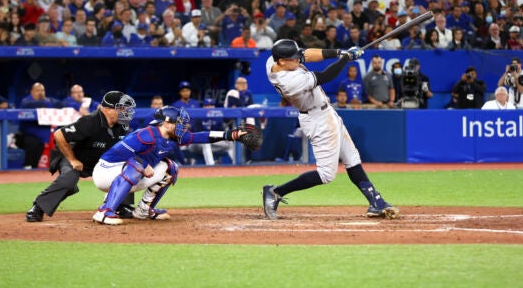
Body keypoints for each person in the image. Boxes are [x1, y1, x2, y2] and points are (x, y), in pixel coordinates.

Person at [262, 39, 398, 220]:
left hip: (326, 112)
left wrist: (339, 52)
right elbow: (325, 76)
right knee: (326, 174)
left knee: (352, 158)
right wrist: (345, 60)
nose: (298, 60)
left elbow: (307, 54)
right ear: (282, 61)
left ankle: (376, 202)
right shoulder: (289, 80)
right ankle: (276, 192)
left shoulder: (274, 60)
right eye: (294, 58)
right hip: (317, 119)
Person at [90, 105, 249, 224]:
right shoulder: (146, 134)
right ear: (166, 123)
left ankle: (143, 210)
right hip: (106, 172)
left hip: (129, 174)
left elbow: (201, 136)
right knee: (138, 164)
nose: (183, 126)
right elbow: (118, 153)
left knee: (171, 168)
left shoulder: (174, 137)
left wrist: (230, 135)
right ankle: (105, 211)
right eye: (179, 123)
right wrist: (143, 165)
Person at [26, 91, 136, 222]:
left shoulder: (122, 126)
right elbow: (59, 135)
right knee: (68, 181)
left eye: (125, 108)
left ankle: (120, 205)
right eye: (120, 108)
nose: (125, 112)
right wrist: (72, 159)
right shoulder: (89, 122)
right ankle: (38, 207)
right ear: (106, 109)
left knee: (127, 168)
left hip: (100, 161)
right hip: (75, 157)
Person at [17, 83, 63, 169]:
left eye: (42, 90)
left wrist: (47, 102)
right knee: (32, 142)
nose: (40, 93)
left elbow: (61, 104)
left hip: (42, 138)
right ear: (32, 92)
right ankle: (26, 166)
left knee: (41, 146)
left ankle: (32, 169)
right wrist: (47, 103)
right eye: (37, 90)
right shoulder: (26, 101)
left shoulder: (48, 100)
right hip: (24, 136)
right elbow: (31, 105)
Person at [189, 98, 235, 165]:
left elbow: (221, 134)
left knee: (230, 143)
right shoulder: (198, 117)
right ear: (203, 107)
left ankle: (236, 165)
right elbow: (197, 136)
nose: (210, 107)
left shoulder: (218, 118)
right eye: (207, 105)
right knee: (205, 140)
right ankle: (211, 165)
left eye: (211, 105)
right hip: (196, 145)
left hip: (213, 143)